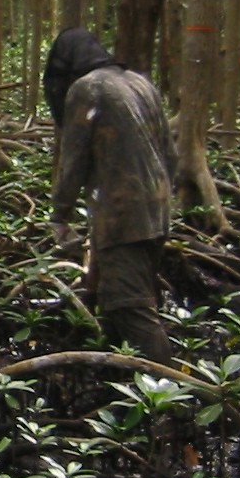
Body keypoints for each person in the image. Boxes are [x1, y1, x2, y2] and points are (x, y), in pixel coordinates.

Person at [42, 28, 174, 361]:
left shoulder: (88, 89)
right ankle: (118, 382)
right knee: (114, 295)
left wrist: (59, 214)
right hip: (156, 211)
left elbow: (73, 158)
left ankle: (170, 399)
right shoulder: (141, 83)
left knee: (131, 308)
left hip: (122, 215)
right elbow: (170, 155)